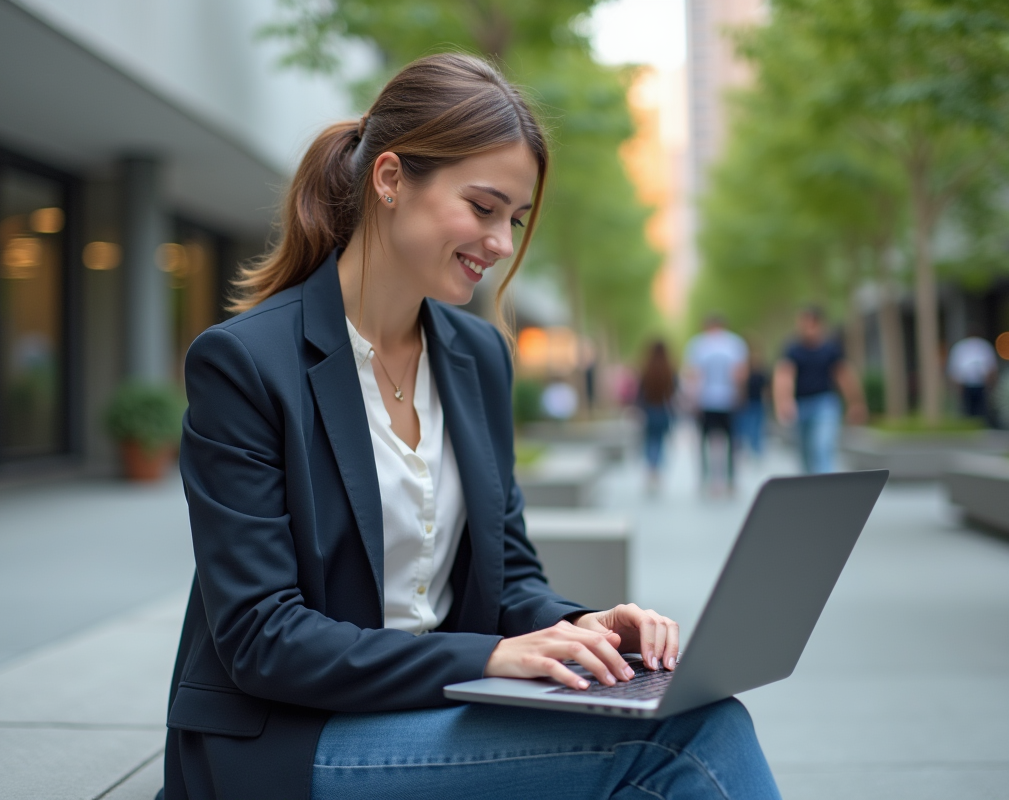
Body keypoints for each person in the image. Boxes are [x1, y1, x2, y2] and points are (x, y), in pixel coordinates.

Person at [159, 54, 780, 800]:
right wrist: (486, 660)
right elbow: (262, 637)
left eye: (514, 220)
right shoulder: (244, 364)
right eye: (484, 209)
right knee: (686, 742)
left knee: (695, 711)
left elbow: (509, 576)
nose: (502, 244)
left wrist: (587, 629)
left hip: (437, 706)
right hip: (286, 738)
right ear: (390, 180)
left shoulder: (477, 356)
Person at [773, 307, 867, 474]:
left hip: (825, 403)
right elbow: (784, 376)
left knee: (823, 445)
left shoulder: (831, 349)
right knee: (805, 453)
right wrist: (784, 402)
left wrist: (855, 403)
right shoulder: (792, 349)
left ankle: (826, 484)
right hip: (801, 405)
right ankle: (810, 487)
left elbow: (843, 375)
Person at [684, 315, 748, 495]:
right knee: (731, 442)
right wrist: (740, 394)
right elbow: (739, 373)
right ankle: (730, 480)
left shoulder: (698, 344)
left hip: (706, 400)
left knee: (705, 442)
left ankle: (706, 479)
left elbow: (694, 375)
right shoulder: (735, 343)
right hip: (728, 399)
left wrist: (693, 399)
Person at [636, 340, 678, 494]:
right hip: (664, 411)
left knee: (649, 442)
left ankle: (651, 470)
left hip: (649, 411)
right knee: (660, 442)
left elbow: (640, 393)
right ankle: (657, 472)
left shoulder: (646, 369)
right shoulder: (669, 369)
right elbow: (673, 392)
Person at [947, 327, 997, 422]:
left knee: (981, 408)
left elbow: (991, 367)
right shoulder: (961, 347)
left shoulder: (983, 346)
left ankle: (980, 423)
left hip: (980, 382)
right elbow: (955, 368)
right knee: (967, 408)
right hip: (965, 383)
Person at [734, 348, 769, 458]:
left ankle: (757, 450)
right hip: (747, 404)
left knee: (757, 427)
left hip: (758, 403)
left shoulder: (761, 373)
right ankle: (748, 449)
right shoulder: (746, 373)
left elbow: (766, 388)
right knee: (747, 427)